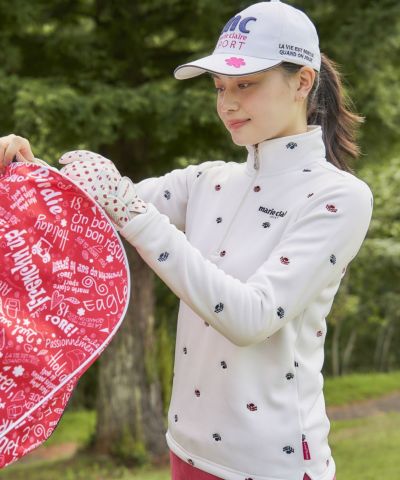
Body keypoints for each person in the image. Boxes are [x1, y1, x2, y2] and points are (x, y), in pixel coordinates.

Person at [0, 1, 373, 479]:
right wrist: (27, 174)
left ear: (302, 81)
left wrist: (131, 212)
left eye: (245, 84)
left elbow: (251, 317)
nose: (227, 104)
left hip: (270, 466)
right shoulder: (208, 180)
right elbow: (86, 209)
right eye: (219, 87)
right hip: (185, 451)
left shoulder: (340, 197)